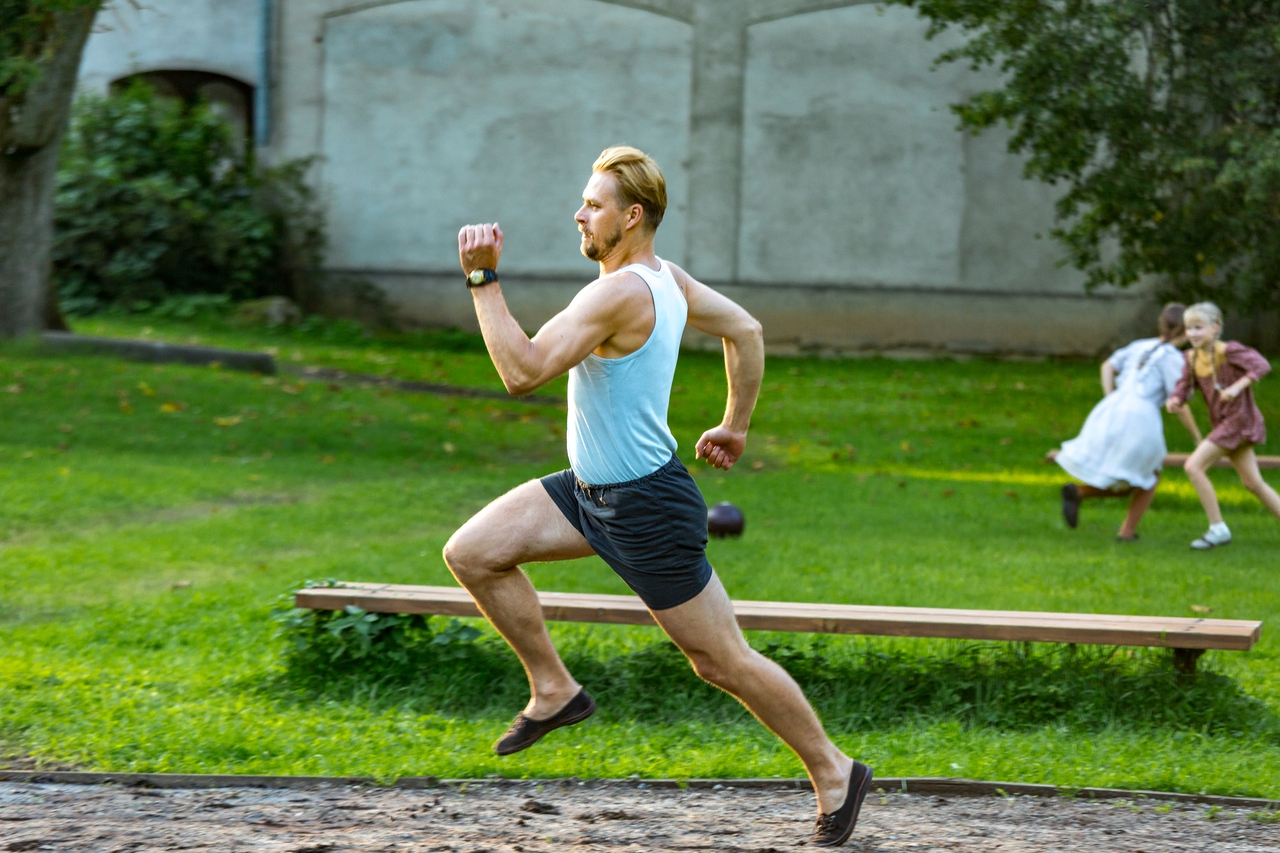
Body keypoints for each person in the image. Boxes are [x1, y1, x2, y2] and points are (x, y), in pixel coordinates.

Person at [442, 146, 872, 847]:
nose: (579, 213)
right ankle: (554, 689)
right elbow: (747, 330)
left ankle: (834, 769)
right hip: (589, 493)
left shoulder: (616, 293)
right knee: (475, 551)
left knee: (720, 659)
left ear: (631, 215)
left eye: (593, 204)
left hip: (644, 504)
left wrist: (483, 279)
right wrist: (734, 424)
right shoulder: (663, 278)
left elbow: (522, 371)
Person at [1055, 304, 1198, 540]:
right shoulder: (1172, 357)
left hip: (1112, 408)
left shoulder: (1141, 345)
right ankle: (1126, 532)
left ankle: (1079, 493)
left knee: (1133, 478)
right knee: (1150, 475)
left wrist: (1111, 396)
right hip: (1140, 415)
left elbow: (1107, 366)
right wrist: (1196, 437)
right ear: (1187, 330)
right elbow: (1179, 401)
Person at [1166, 302, 1280, 549]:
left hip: (1239, 421)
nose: (1193, 333)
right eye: (1189, 328)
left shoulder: (1228, 351)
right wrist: (1175, 398)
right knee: (1253, 483)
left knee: (1193, 466)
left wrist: (1237, 387)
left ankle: (1217, 529)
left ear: (1215, 328)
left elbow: (1261, 364)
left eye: (1199, 327)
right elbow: (1184, 385)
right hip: (1224, 422)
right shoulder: (1192, 358)